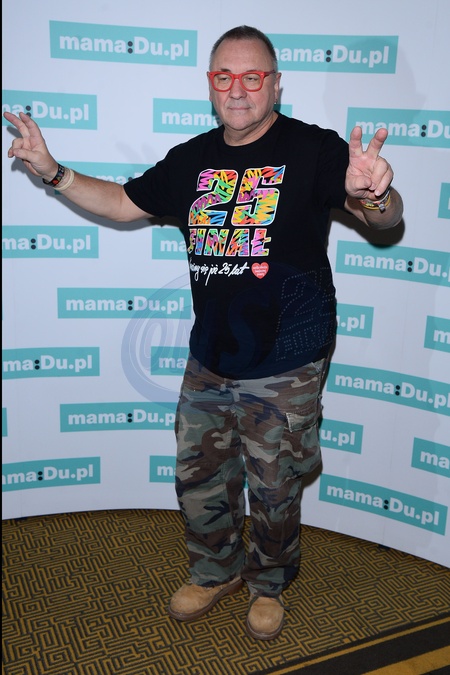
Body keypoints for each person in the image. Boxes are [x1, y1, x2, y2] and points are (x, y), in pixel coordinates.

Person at [4, 25, 403, 641]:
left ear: (275, 84)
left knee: (275, 487)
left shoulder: (313, 149)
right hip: (211, 356)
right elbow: (122, 202)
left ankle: (268, 582)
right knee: (200, 477)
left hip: (288, 359)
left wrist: (376, 194)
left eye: (252, 76)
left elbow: (381, 216)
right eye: (225, 76)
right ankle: (216, 570)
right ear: (210, 85)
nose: (238, 89)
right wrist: (53, 172)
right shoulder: (192, 158)